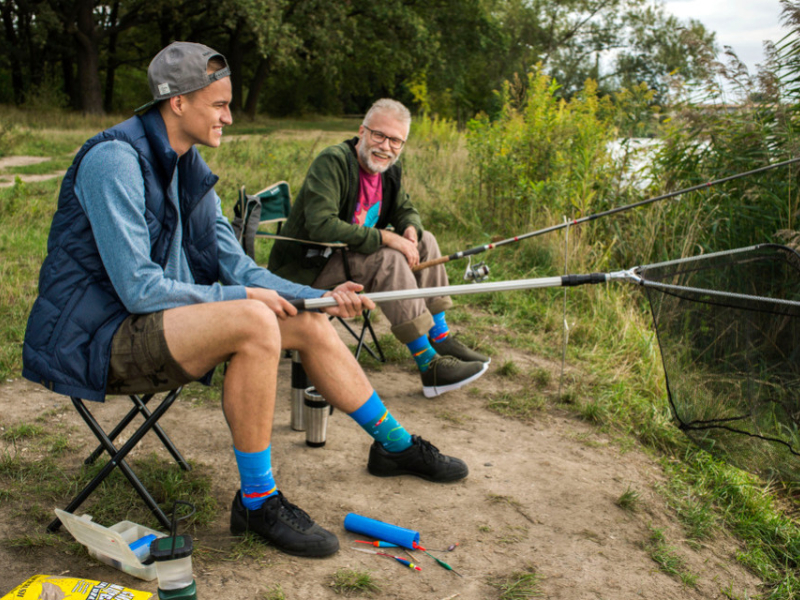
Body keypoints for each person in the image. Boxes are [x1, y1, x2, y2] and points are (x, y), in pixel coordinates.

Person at [21, 42, 468, 559]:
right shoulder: (114, 161)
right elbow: (139, 289)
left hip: (159, 326)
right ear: (178, 103)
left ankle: (394, 445)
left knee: (305, 319)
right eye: (219, 105)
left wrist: (321, 296)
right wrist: (243, 297)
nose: (230, 117)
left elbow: (244, 269)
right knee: (255, 318)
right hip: (96, 338)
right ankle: (257, 502)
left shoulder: (191, 174)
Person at [268, 99, 490, 398]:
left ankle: (440, 335)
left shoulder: (388, 171)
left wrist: (409, 228)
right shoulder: (333, 162)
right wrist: (388, 238)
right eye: (379, 135)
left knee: (426, 241)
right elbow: (322, 225)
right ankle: (429, 366)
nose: (385, 146)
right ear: (362, 131)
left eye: (395, 140)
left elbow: (405, 209)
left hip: (346, 258)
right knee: (387, 259)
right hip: (309, 268)